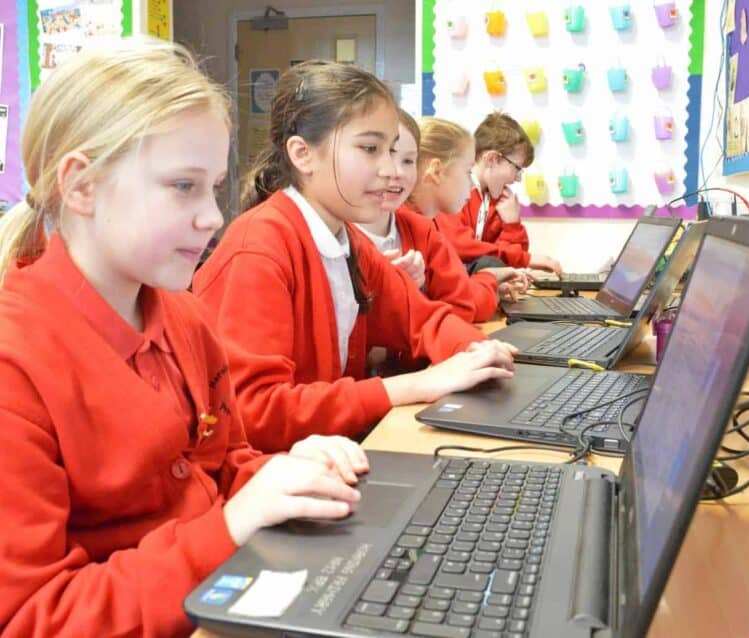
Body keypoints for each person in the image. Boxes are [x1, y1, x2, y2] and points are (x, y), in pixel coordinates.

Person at [0, 40, 370, 638]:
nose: (212, 218)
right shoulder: (15, 364)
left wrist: (287, 474)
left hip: (217, 598)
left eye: (213, 187)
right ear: (82, 186)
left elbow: (219, 465)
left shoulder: (185, 316)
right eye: (182, 187)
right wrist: (230, 527)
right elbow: (31, 618)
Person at [194, 60, 517, 453]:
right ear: (303, 155)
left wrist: (479, 352)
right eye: (370, 149)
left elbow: (421, 318)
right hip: (268, 482)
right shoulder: (260, 246)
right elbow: (255, 412)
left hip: (321, 459)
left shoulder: (344, 239)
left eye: (392, 151)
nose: (388, 169)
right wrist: (411, 386)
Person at [357, 112, 531, 325]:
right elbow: (461, 306)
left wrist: (490, 281)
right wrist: (489, 281)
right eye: (467, 172)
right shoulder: (403, 225)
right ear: (436, 170)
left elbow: (457, 302)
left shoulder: (421, 227)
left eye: (409, 161)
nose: (394, 172)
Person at [435, 112, 563, 275]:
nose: (517, 179)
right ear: (492, 159)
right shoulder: (456, 191)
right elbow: (460, 246)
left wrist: (512, 224)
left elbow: (503, 263)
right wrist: (526, 259)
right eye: (516, 168)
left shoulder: (495, 200)